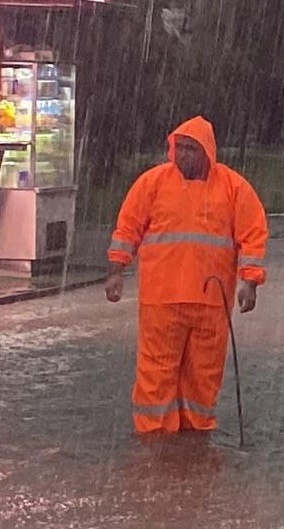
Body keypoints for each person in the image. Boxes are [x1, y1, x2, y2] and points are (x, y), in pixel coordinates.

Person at [103, 116, 268, 435]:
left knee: (203, 376)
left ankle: (196, 434)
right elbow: (127, 228)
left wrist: (250, 282)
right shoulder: (152, 184)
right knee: (156, 373)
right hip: (162, 300)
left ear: (207, 152)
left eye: (191, 149)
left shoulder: (234, 188)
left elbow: (253, 235)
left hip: (211, 302)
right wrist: (115, 271)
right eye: (179, 148)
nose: (183, 156)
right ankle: (154, 436)